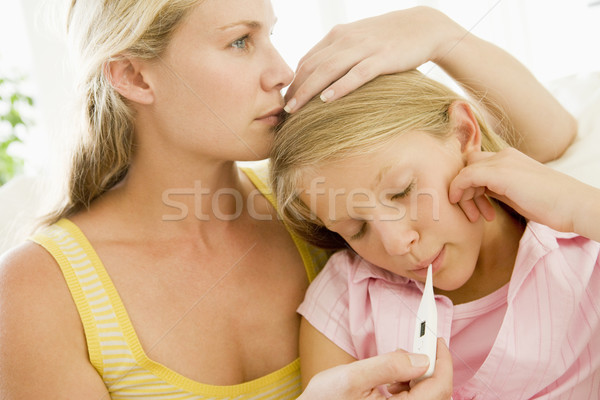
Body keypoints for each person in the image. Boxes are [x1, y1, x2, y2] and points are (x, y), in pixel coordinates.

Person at [0, 2, 575, 399]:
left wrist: (440, 31)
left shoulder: (320, 206)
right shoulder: (40, 293)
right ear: (134, 76)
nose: (279, 70)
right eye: (240, 40)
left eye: (271, 35)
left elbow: (546, 142)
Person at [270, 70, 600, 399]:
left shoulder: (583, 244)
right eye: (357, 230)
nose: (397, 243)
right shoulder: (345, 299)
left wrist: (582, 209)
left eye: (403, 191)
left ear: (462, 132)